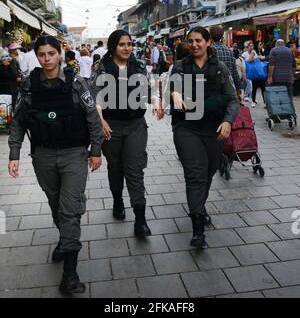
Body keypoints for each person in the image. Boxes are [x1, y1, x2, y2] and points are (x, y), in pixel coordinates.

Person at [8, 36, 103, 295]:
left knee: (70, 209)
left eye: (51, 53)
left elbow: (92, 117)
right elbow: (18, 121)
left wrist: (96, 150)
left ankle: (70, 272)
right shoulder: (29, 86)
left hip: (74, 154)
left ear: (60, 54)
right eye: (42, 54)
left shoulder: (76, 82)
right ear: (37, 56)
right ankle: (65, 239)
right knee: (55, 204)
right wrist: (14, 153)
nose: (47, 59)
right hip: (44, 156)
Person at [167, 27, 239, 248]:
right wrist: (176, 94)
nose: (194, 44)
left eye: (198, 40)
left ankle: (200, 206)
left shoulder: (220, 68)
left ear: (208, 42)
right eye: (191, 41)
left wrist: (227, 121)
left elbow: (233, 99)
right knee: (196, 174)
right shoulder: (180, 66)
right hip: (186, 128)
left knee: (208, 172)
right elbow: (174, 84)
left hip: (214, 130)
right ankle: (197, 227)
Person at [89, 30, 164, 238]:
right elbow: (94, 97)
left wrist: (156, 101)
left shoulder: (139, 66)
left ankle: (140, 219)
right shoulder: (101, 68)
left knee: (134, 169)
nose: (127, 48)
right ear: (114, 46)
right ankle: (117, 200)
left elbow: (148, 91)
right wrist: (101, 120)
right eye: (122, 44)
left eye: (129, 44)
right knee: (115, 167)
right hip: (110, 126)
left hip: (135, 126)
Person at [268, 39, 297, 121]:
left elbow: (271, 65)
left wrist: (270, 77)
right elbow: (294, 66)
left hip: (277, 78)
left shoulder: (273, 50)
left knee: (277, 98)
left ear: (276, 44)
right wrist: (292, 76)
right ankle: (292, 115)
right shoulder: (290, 51)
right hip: (288, 78)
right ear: (284, 44)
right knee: (289, 97)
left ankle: (276, 117)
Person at [210, 26, 242, 92]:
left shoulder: (208, 51)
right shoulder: (230, 51)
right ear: (222, 36)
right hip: (228, 87)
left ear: (210, 36)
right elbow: (234, 72)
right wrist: (239, 88)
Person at [243, 42, 266, 108]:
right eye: (250, 46)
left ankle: (264, 102)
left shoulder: (260, 51)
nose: (251, 47)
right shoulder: (253, 52)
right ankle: (253, 101)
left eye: (252, 46)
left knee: (262, 87)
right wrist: (257, 58)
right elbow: (250, 60)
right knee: (254, 87)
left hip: (258, 71)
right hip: (254, 72)